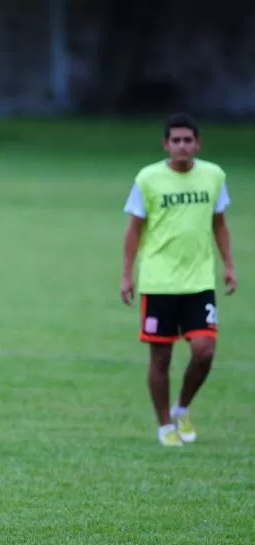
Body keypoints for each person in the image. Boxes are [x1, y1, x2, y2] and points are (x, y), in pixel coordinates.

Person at [120, 113, 237, 447]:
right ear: (165, 144)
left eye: (188, 140)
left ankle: (182, 408)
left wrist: (228, 264)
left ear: (198, 143)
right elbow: (134, 229)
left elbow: (220, 223)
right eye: (176, 140)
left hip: (199, 281)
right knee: (161, 359)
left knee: (204, 352)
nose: (182, 146)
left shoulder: (214, 176)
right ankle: (163, 427)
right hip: (158, 282)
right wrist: (127, 275)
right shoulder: (148, 179)